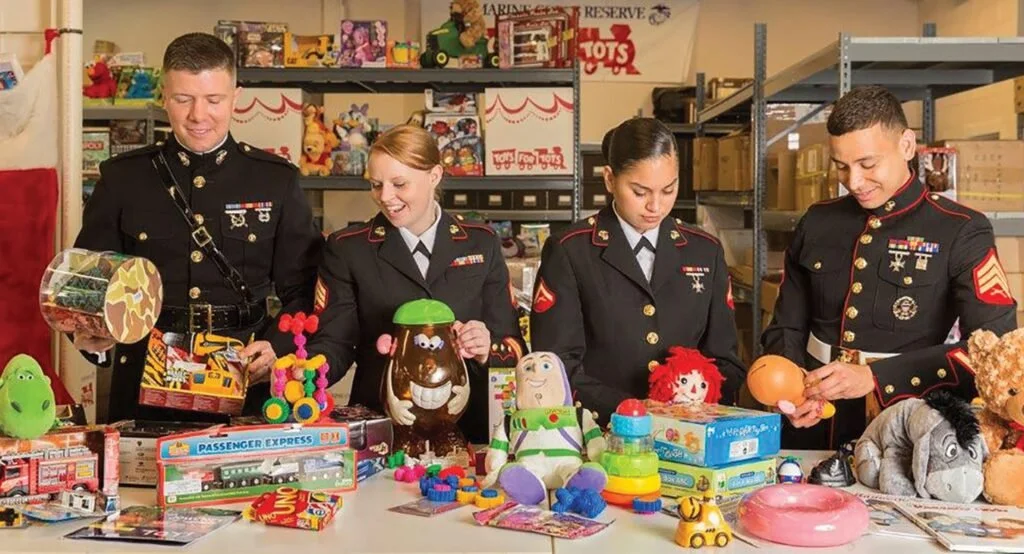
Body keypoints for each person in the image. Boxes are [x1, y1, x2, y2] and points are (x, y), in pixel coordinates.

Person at [73, 33, 321, 422]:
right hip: (144, 378)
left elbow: (305, 289)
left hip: (244, 376)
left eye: (213, 100)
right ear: (164, 96)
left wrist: (278, 345)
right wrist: (93, 336)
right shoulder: (123, 178)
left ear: (235, 97)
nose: (198, 115)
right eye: (183, 99)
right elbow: (91, 283)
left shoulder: (276, 181)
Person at [762, 85, 1017, 450]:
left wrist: (875, 377)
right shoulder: (818, 222)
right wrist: (789, 385)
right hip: (809, 424)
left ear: (907, 146)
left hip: (905, 428)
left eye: (868, 164)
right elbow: (785, 325)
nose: (854, 182)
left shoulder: (961, 229)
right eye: (841, 167)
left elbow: (993, 350)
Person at [307, 124, 525, 445]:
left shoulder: (481, 242)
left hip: (469, 428)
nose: (385, 197)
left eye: (399, 184)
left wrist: (484, 349)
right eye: (375, 185)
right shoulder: (347, 248)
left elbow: (513, 345)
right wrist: (306, 374)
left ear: (434, 175)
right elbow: (334, 343)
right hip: (382, 430)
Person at [530, 117, 746, 424]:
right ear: (609, 179)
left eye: (668, 190)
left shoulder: (705, 251)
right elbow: (556, 365)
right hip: (601, 432)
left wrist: (697, 394)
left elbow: (725, 361)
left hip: (687, 433)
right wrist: (630, 410)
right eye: (640, 192)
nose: (655, 206)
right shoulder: (570, 251)